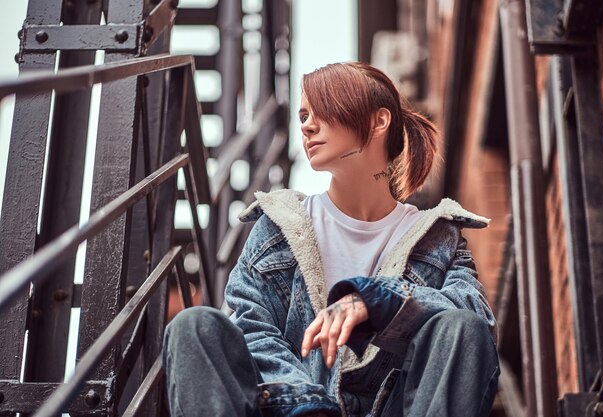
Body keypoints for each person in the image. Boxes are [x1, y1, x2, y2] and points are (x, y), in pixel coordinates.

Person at [162, 62, 500, 417]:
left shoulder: (438, 236)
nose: (307, 125)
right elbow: (252, 328)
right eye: (304, 114)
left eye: (322, 109)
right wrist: (307, 404)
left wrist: (379, 301)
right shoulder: (279, 228)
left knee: (460, 324)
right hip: (293, 408)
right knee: (194, 325)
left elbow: (474, 327)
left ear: (378, 121)